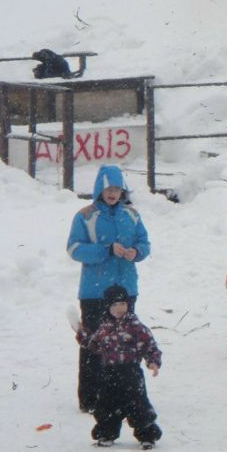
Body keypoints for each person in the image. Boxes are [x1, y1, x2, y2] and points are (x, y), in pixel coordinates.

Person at [66, 165, 150, 412]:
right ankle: (91, 397)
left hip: (125, 290)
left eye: (117, 188)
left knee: (123, 343)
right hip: (95, 292)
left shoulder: (132, 215)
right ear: (98, 189)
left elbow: (144, 242)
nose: (113, 193)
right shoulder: (85, 216)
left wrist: (136, 252)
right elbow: (74, 249)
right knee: (94, 342)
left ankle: (122, 394)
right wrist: (105, 250)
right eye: (108, 188)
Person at [77, 284, 162, 449]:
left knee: (138, 405)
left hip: (131, 372)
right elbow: (93, 345)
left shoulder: (135, 326)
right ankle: (106, 434)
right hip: (109, 373)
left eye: (122, 303)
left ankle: (147, 435)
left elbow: (149, 345)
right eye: (114, 305)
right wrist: (81, 333)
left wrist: (153, 361)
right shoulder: (104, 328)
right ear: (107, 308)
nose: (119, 308)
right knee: (106, 406)